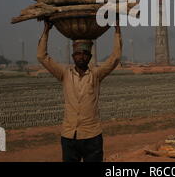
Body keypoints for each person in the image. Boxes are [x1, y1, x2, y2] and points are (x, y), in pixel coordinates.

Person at [37, 19, 122, 162]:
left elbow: (115, 58)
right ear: (73, 56)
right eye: (78, 54)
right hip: (69, 136)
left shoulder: (96, 75)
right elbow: (42, 57)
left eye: (85, 54)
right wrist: (46, 31)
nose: (81, 57)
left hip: (92, 136)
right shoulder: (64, 74)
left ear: (89, 57)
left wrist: (117, 30)